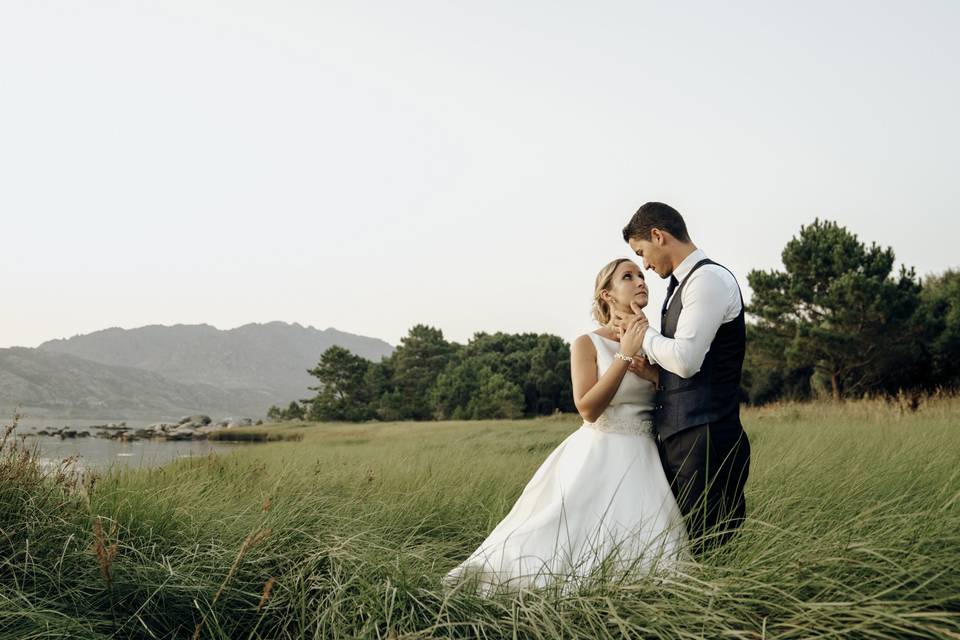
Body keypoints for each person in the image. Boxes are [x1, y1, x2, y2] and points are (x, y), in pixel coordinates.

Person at [443, 259, 688, 596]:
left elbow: (670, 401)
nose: (640, 281)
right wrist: (624, 357)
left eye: (642, 275)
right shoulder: (587, 343)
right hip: (599, 453)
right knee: (563, 537)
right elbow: (587, 408)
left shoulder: (658, 342)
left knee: (650, 539)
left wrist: (654, 377)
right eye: (627, 277)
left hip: (646, 457)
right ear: (607, 294)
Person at [617, 202, 751, 552]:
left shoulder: (707, 280)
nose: (644, 263)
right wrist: (656, 375)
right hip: (684, 436)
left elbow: (688, 361)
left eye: (642, 252)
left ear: (659, 236)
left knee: (707, 547)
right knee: (686, 545)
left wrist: (640, 332)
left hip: (705, 437)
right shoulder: (681, 286)